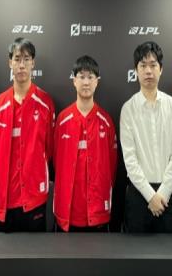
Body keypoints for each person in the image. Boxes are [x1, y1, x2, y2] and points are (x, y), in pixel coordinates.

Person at [0, 38, 55, 232]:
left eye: (26, 59)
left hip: (33, 198)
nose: (22, 64)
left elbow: (49, 149)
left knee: (34, 250)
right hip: (3, 200)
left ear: (33, 63)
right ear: (10, 63)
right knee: (1, 251)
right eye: (17, 59)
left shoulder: (45, 103)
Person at [120, 41, 172, 233]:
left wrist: (162, 193)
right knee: (136, 252)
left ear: (161, 69)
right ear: (136, 70)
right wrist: (150, 196)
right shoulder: (128, 109)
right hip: (138, 197)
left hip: (167, 196)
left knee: (169, 251)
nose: (148, 71)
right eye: (143, 65)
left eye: (153, 65)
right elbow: (130, 160)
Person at [53, 55, 117, 232]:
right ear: (74, 81)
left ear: (97, 82)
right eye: (81, 77)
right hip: (69, 215)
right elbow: (56, 160)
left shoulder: (106, 121)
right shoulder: (63, 120)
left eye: (91, 77)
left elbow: (111, 167)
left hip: (98, 212)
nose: (86, 82)